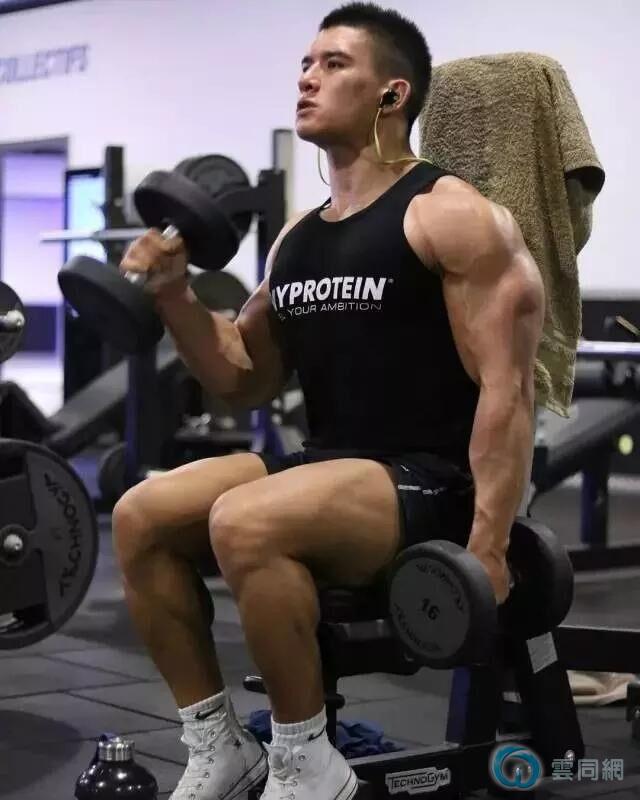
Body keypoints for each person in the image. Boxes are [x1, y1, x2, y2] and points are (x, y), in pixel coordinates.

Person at [113, 3, 545, 799]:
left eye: (334, 64)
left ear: (392, 94)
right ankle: (218, 744)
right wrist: (175, 295)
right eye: (305, 65)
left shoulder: (447, 214)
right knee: (141, 515)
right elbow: (242, 376)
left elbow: (507, 388)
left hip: (428, 483)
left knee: (245, 519)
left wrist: (488, 548)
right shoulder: (299, 238)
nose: (308, 78)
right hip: (328, 472)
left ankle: (305, 760)